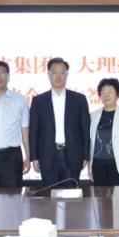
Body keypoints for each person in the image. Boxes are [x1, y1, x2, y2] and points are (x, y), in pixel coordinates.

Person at [29, 57, 91, 185]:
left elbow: (85, 129)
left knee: (71, 194)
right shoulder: (38, 101)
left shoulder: (79, 99)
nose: (58, 76)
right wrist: (34, 157)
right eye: (54, 72)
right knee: (49, 194)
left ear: (67, 75)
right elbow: (34, 131)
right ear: (49, 75)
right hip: (47, 156)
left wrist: (86, 156)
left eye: (62, 72)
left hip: (73, 155)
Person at [89, 78, 119, 186]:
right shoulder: (93, 116)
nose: (106, 95)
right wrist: (89, 167)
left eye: (110, 91)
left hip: (118, 165)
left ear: (118, 95)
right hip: (97, 165)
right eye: (103, 92)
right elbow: (90, 143)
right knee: (99, 195)